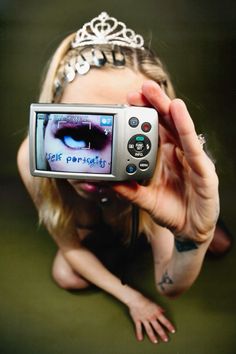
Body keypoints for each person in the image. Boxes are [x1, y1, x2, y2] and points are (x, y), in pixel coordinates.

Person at [17, 12, 231, 344]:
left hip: (145, 215)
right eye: (76, 130)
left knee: (217, 243)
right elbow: (70, 249)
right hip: (102, 231)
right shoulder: (31, 154)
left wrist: (194, 240)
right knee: (66, 274)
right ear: (51, 113)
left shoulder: (157, 164)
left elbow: (169, 284)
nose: (97, 165)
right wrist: (133, 298)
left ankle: (190, 223)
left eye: (122, 131)